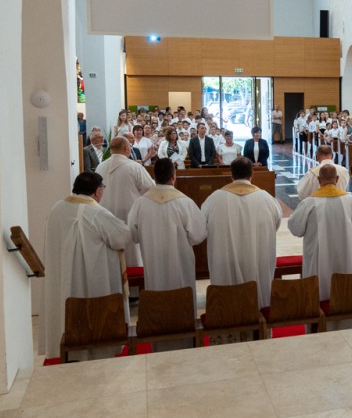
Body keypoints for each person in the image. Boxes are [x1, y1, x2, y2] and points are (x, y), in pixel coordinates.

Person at [42, 171, 133, 360]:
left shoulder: (57, 208)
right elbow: (122, 236)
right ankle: (93, 350)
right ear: (97, 191)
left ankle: (68, 347)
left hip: (63, 275)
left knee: (67, 307)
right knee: (91, 313)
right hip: (89, 277)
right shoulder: (95, 212)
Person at [126, 159, 207, 327]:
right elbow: (199, 234)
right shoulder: (185, 202)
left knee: (157, 302)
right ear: (173, 176)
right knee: (182, 304)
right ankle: (184, 333)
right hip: (180, 265)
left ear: (154, 177)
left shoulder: (140, 203)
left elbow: (133, 235)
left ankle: (159, 332)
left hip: (153, 264)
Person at [287, 164, 352, 327]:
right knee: (343, 287)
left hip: (318, 260)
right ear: (337, 179)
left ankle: (318, 327)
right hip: (344, 258)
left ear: (318, 180)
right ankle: (346, 324)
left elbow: (295, 229)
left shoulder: (309, 203)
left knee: (317, 289)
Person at [201, 157, 282, 308]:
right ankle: (259, 316)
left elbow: (201, 227)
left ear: (231, 174)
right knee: (257, 296)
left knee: (227, 302)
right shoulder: (267, 199)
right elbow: (275, 224)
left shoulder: (214, 198)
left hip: (226, 260)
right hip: (256, 257)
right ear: (252, 174)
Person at [95, 136, 155, 270]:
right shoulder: (135, 167)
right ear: (126, 148)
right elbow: (151, 190)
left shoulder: (100, 167)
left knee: (112, 261)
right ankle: (133, 281)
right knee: (132, 255)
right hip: (129, 217)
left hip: (106, 216)